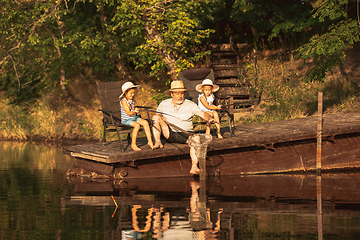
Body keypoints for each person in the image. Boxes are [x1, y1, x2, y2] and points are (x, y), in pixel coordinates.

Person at [152, 80, 216, 174]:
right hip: (169, 133)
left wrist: (209, 118)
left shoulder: (190, 105)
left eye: (182, 93)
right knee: (155, 117)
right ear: (172, 94)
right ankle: (158, 142)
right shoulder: (163, 104)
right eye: (177, 93)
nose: (180, 96)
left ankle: (194, 166)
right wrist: (162, 118)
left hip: (186, 134)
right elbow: (156, 116)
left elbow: (203, 114)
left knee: (196, 138)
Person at [119, 81, 154, 151]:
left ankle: (150, 141)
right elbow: (128, 113)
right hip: (127, 120)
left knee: (145, 123)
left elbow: (132, 110)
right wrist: (134, 111)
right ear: (125, 93)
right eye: (131, 93)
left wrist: (136, 109)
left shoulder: (132, 100)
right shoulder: (124, 101)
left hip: (134, 118)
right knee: (137, 125)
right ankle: (133, 144)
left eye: (133, 93)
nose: (132, 94)